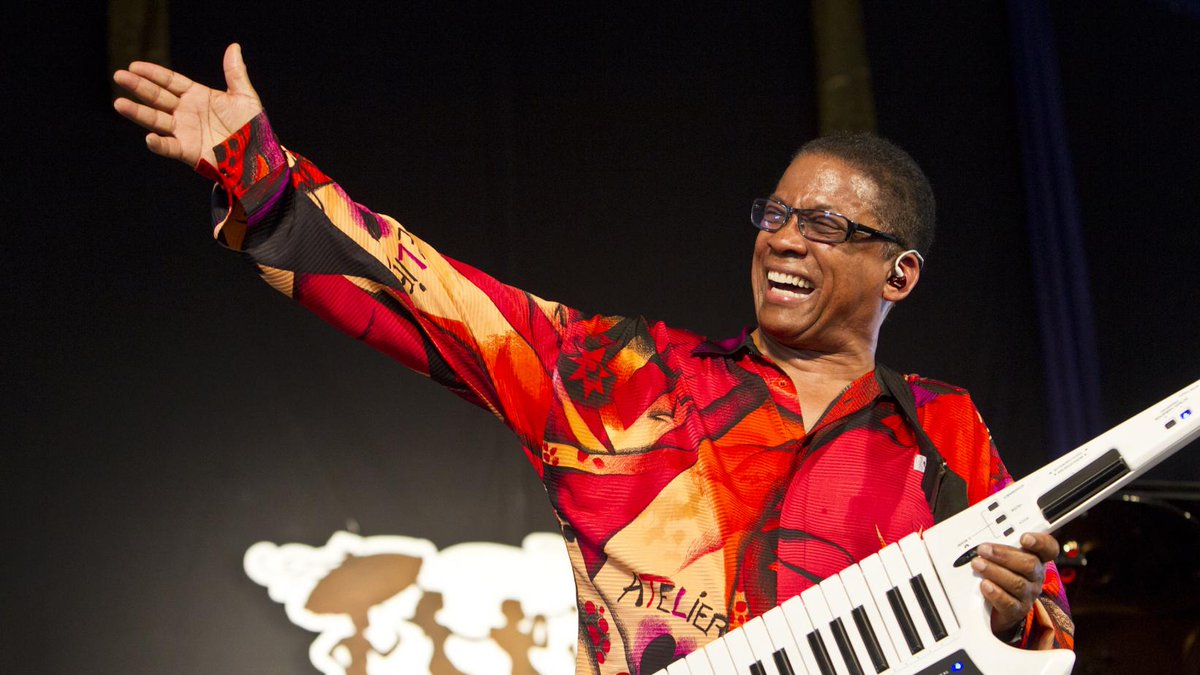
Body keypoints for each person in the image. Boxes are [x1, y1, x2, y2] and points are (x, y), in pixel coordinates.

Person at [114, 44, 1073, 674]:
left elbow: (1046, 638)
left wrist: (1010, 612)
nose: (784, 238)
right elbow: (432, 295)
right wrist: (260, 176)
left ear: (899, 272)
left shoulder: (940, 429)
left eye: (823, 223)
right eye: (776, 213)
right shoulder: (626, 379)